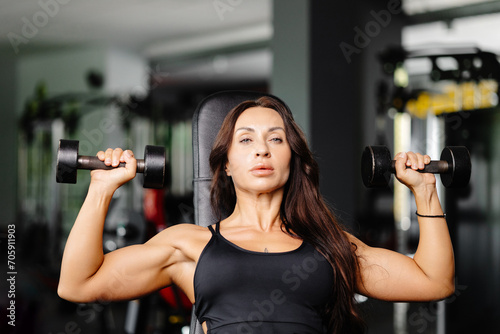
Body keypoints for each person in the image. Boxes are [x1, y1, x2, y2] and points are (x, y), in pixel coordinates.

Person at [58, 96, 455, 334]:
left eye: (276, 139)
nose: (262, 150)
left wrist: (425, 191)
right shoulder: (189, 246)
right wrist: (101, 189)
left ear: (293, 160)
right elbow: (77, 285)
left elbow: (433, 281)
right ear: (227, 164)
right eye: (245, 140)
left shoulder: (331, 247)